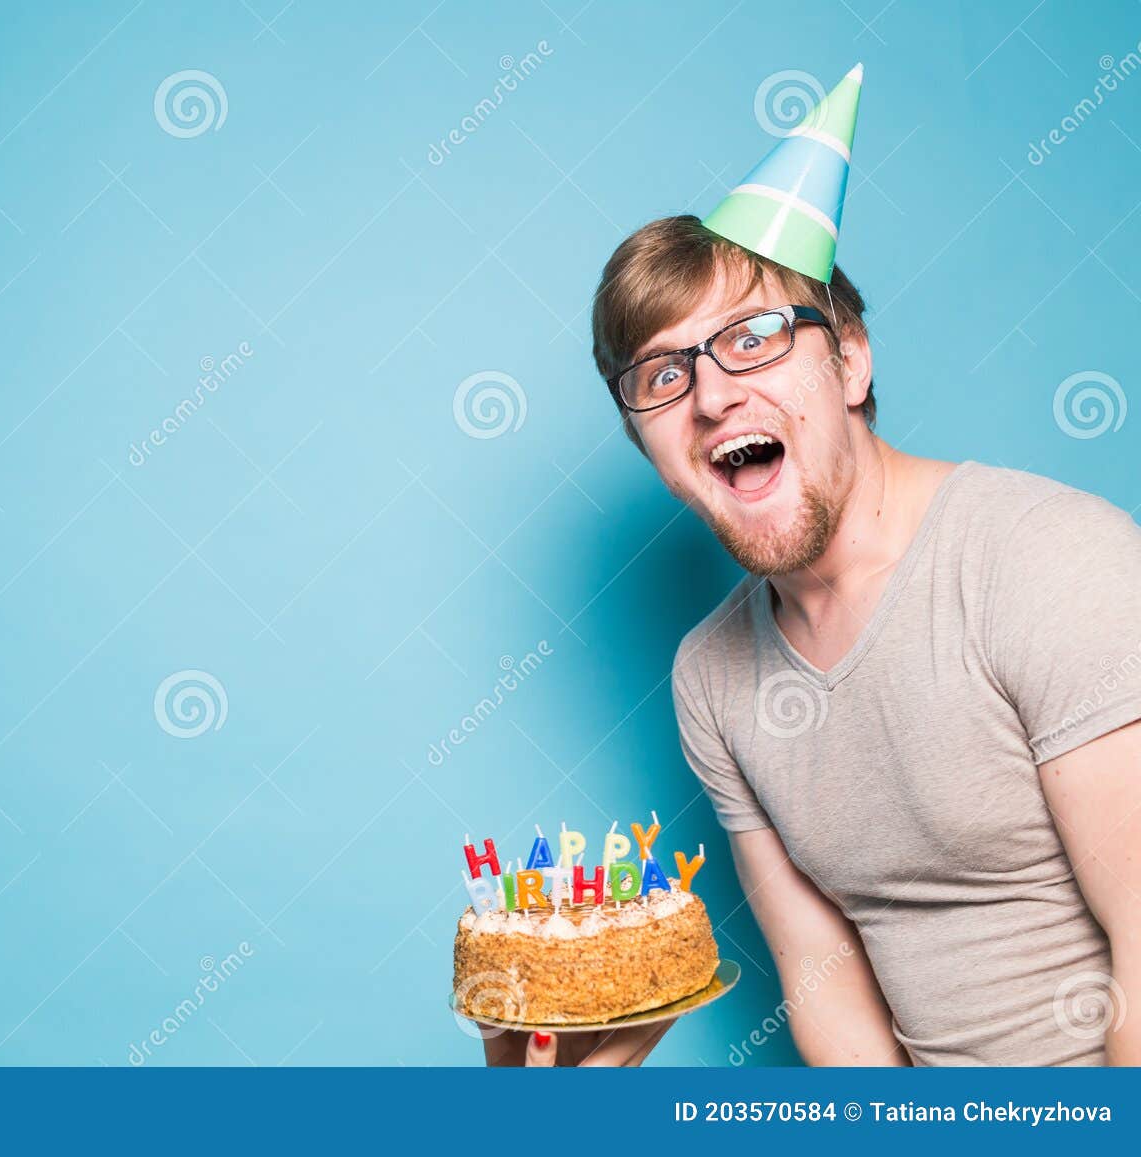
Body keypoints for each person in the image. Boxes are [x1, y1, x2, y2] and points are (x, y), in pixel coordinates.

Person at [484, 66, 1140, 1067]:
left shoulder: (1050, 559)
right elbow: (821, 979)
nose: (709, 397)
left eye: (752, 339)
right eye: (663, 373)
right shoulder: (712, 676)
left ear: (849, 360)